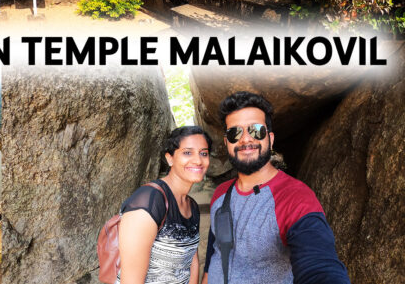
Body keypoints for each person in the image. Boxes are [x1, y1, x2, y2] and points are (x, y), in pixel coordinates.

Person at [202, 91, 349, 284]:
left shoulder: (295, 198)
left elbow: (320, 266)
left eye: (256, 130)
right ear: (226, 142)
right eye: (235, 132)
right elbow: (215, 253)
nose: (245, 139)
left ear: (270, 139)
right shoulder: (220, 194)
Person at [117, 126, 212, 284]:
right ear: (170, 158)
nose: (198, 160)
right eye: (187, 152)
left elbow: (192, 261)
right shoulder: (149, 202)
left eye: (203, 153)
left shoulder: (192, 206)